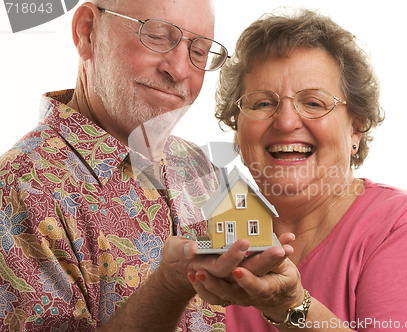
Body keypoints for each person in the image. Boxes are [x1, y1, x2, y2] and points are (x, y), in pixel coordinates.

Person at [0, 0, 294, 331]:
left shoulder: (204, 169)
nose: (180, 70)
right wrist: (170, 285)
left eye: (199, 51)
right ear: (87, 32)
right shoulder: (19, 189)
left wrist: (287, 301)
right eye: (155, 35)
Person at [188, 8, 407, 331]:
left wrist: (292, 308)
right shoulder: (222, 248)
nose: (286, 121)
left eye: (314, 103)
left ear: (356, 128)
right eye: (262, 103)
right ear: (238, 127)